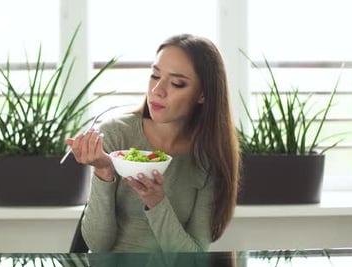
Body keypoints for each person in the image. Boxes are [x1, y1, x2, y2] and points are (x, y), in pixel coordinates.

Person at [66, 34, 241, 253]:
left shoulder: (206, 157)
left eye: (177, 83)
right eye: (155, 75)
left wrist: (156, 202)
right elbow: (97, 245)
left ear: (203, 95)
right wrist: (104, 170)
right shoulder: (115, 135)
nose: (157, 90)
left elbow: (194, 257)